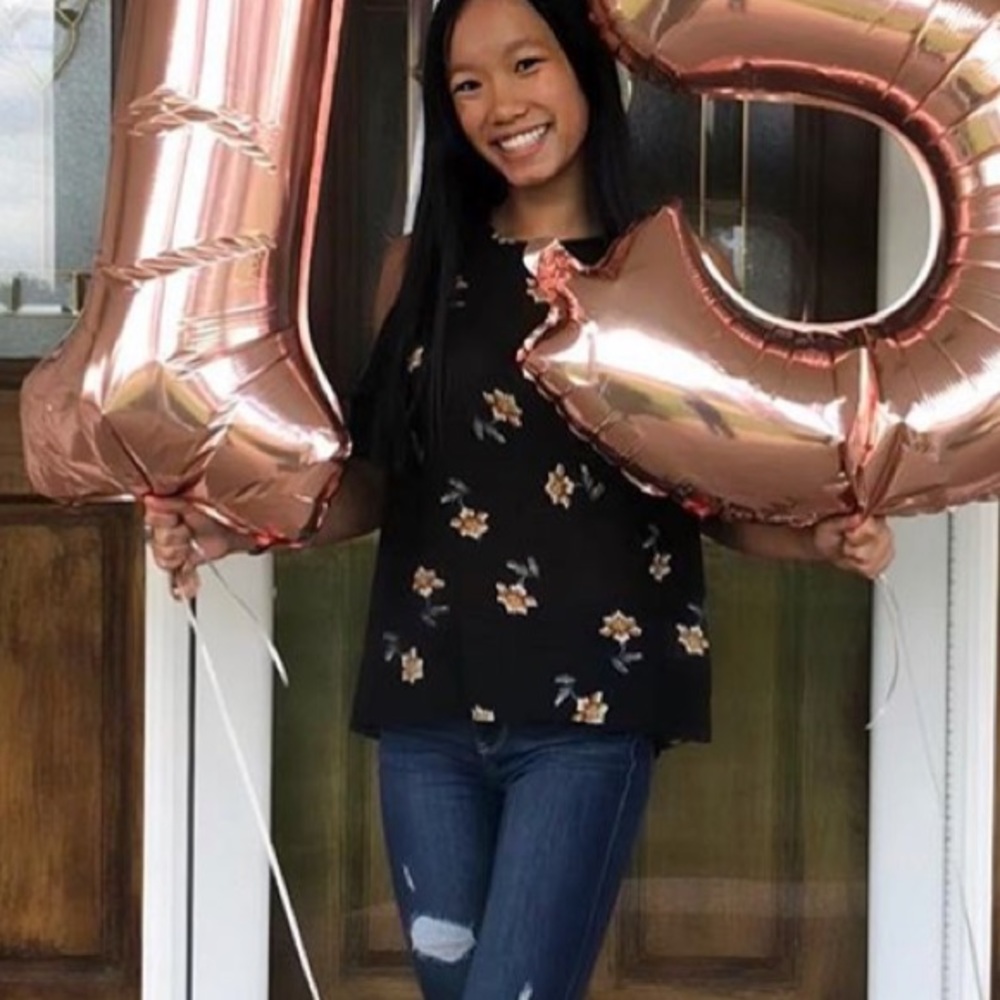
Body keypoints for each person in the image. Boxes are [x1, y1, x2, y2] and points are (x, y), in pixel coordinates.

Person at [146, 0, 895, 996]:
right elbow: (374, 483)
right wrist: (228, 529)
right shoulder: (417, 270)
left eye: (526, 63)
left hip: (589, 717)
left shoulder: (671, 273)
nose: (500, 103)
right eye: (467, 83)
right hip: (426, 709)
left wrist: (822, 543)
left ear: (583, 67)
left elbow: (715, 494)